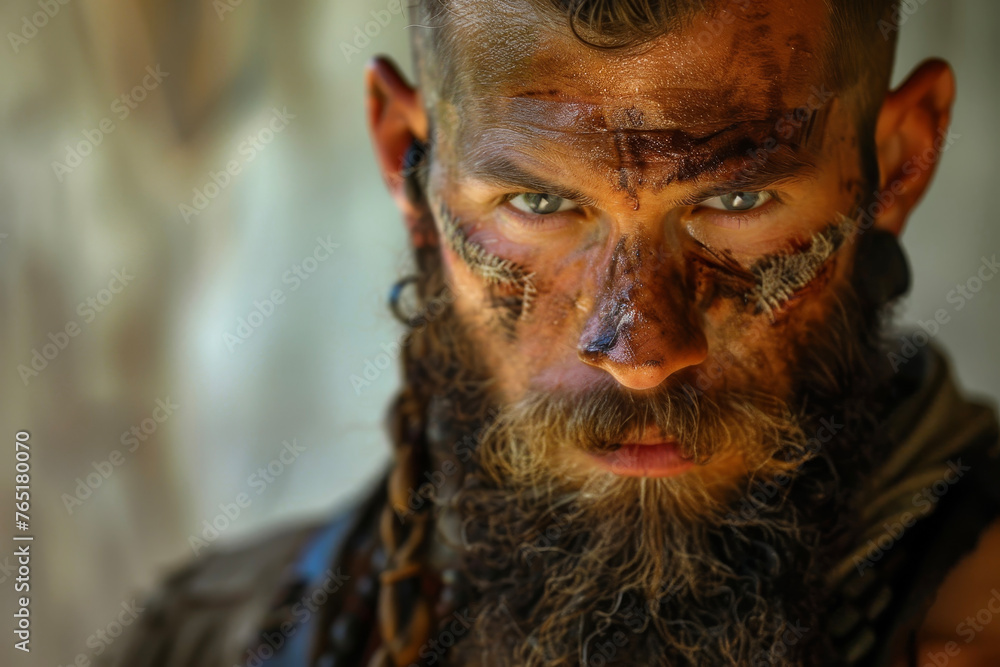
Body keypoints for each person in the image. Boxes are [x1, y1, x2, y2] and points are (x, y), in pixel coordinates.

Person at [109, 1, 1000, 665]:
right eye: (539, 203)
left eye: (736, 201)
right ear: (407, 161)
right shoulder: (215, 638)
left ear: (900, 162)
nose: (642, 352)